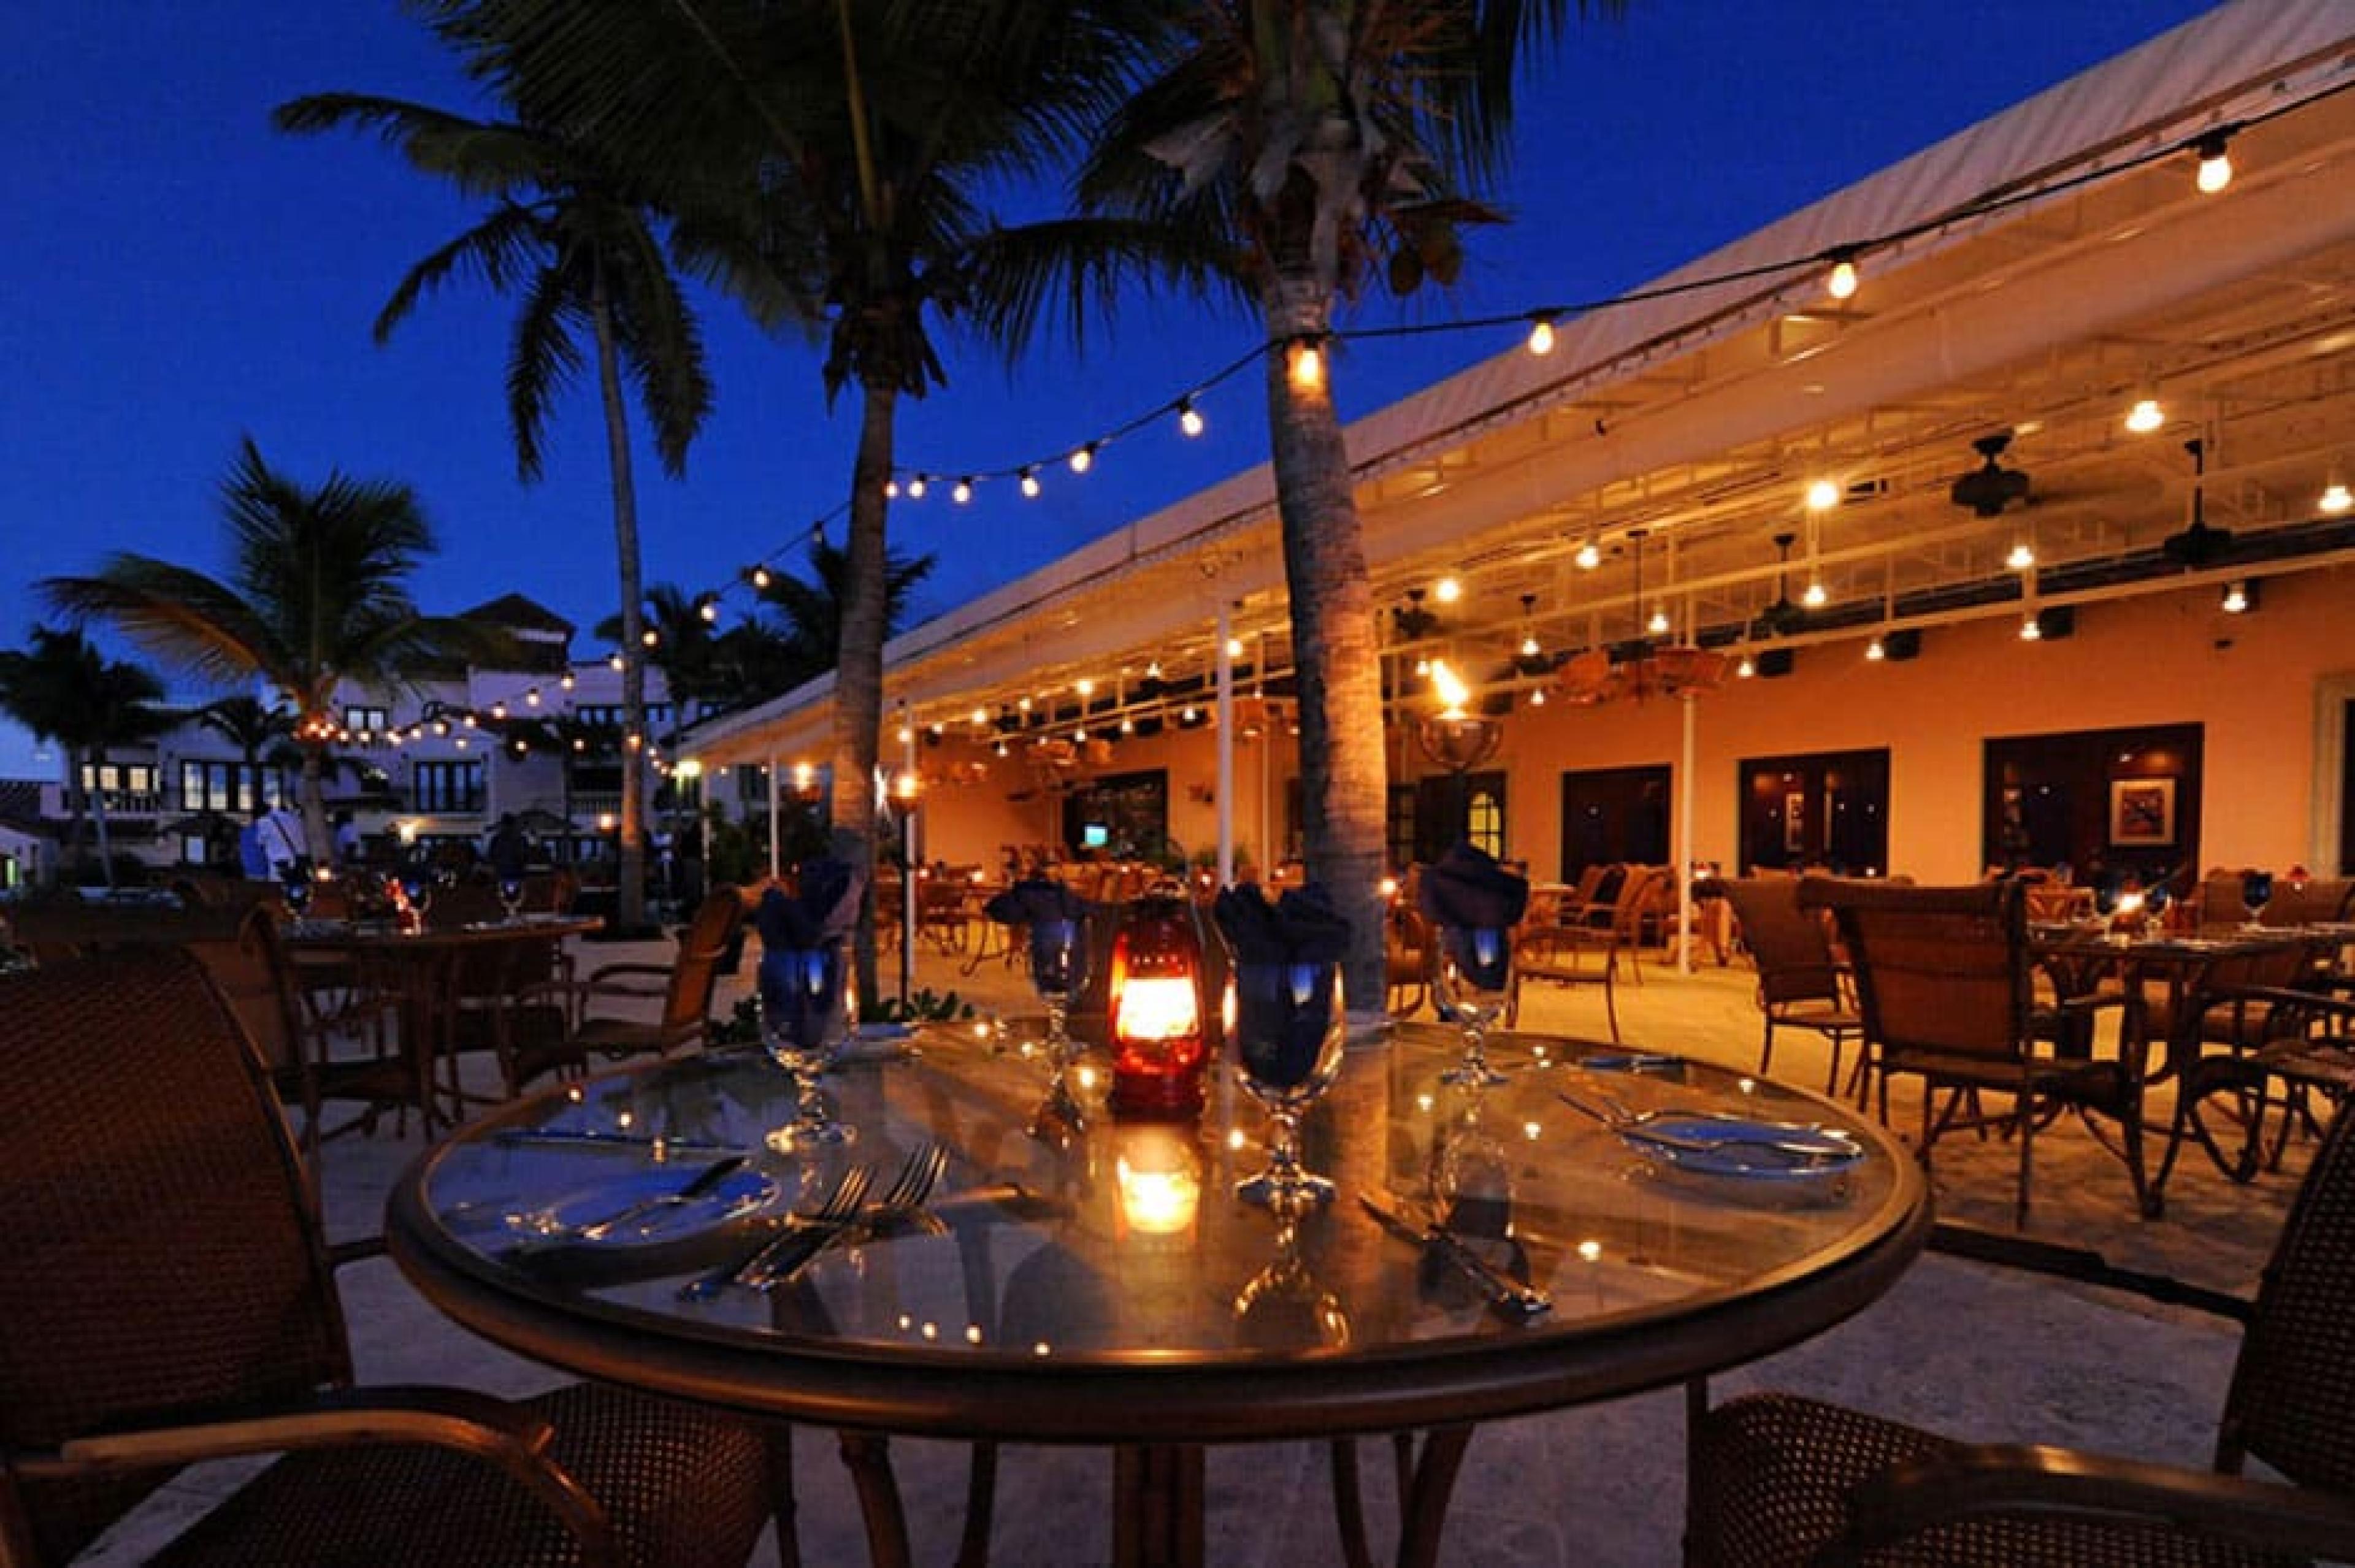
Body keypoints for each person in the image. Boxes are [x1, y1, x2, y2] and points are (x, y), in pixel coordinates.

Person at [486, 813, 530, 882]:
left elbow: (491, 856)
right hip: (514, 873)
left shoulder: (496, 839)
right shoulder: (521, 839)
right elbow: (526, 856)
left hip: (505, 873)